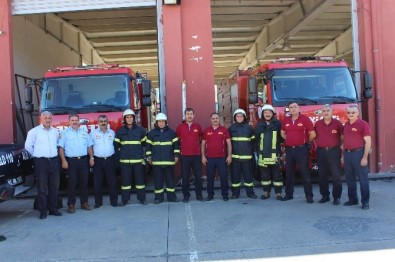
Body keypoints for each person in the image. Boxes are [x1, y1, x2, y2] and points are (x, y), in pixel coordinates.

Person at [25, 111, 62, 219]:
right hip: (41, 161)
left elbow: (58, 144)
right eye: (45, 117)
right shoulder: (34, 131)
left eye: (49, 118)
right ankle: (43, 211)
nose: (48, 119)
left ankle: (53, 209)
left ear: (52, 119)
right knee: (42, 187)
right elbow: (28, 146)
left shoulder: (55, 131)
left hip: (54, 161)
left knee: (54, 186)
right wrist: (37, 155)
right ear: (41, 119)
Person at [281, 101, 316, 203]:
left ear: (298, 108)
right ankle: (288, 194)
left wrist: (305, 142)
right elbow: (282, 133)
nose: (293, 109)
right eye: (291, 107)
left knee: (305, 173)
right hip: (289, 149)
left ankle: (309, 196)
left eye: (295, 107)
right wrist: (289, 140)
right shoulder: (286, 120)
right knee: (289, 173)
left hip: (302, 149)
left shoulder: (305, 119)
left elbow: (312, 134)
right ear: (289, 109)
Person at [58, 114, 94, 213]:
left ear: (79, 121)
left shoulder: (84, 132)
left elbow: (89, 146)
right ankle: (71, 204)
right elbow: (61, 148)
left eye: (76, 120)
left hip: (83, 160)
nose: (74, 122)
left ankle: (84, 203)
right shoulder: (64, 133)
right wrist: (63, 160)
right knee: (72, 183)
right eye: (72, 120)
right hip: (71, 161)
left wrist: (91, 157)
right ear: (69, 122)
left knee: (84, 183)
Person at [114, 109, 147, 206]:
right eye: (127, 117)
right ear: (124, 119)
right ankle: (125, 200)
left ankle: (142, 199)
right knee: (125, 183)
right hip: (125, 162)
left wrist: (144, 158)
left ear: (134, 118)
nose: (129, 119)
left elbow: (145, 145)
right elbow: (116, 145)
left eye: (131, 117)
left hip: (138, 161)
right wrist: (122, 154)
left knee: (140, 182)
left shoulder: (141, 130)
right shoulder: (120, 131)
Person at [146, 113, 180, 204]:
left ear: (166, 122)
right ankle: (158, 198)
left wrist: (176, 156)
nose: (161, 123)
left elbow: (176, 146)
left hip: (169, 162)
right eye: (159, 121)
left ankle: (171, 197)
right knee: (158, 182)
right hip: (156, 163)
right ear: (156, 123)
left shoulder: (171, 133)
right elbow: (148, 147)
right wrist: (149, 157)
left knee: (170, 181)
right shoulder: (152, 133)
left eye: (163, 121)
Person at [343, 105, 372, 210]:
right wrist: (343, 155)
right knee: (349, 179)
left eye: (353, 112)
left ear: (357, 113)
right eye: (349, 113)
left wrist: (365, 157)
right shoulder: (346, 125)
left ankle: (365, 202)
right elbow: (345, 140)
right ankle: (353, 199)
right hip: (347, 154)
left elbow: (368, 142)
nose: (351, 114)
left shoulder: (363, 124)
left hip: (358, 154)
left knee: (363, 179)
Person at [314, 104, 343, 205]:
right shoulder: (317, 124)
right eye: (324, 111)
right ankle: (325, 196)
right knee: (322, 175)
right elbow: (314, 136)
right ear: (321, 112)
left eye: (327, 110)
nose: (325, 113)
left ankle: (337, 197)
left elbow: (342, 137)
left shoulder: (338, 123)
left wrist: (341, 146)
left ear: (331, 112)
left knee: (336, 175)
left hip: (334, 151)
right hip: (321, 151)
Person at [255, 105, 283, 200]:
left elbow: (282, 138)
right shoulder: (259, 125)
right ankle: (266, 192)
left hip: (275, 154)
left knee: (277, 176)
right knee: (265, 176)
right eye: (265, 112)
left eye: (269, 112)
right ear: (263, 114)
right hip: (263, 155)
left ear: (272, 114)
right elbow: (256, 139)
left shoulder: (278, 124)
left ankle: (278, 193)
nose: (267, 114)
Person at [201, 112, 232, 201]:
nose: (215, 120)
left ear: (219, 119)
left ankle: (225, 194)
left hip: (222, 158)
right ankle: (210, 195)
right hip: (209, 158)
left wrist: (229, 156)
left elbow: (229, 144)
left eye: (216, 118)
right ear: (210, 120)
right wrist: (203, 156)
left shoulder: (224, 130)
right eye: (213, 118)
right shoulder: (206, 131)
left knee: (223, 177)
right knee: (210, 178)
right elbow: (203, 145)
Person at [176, 108, 204, 203]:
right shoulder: (180, 127)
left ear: (194, 115)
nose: (189, 116)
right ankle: (186, 196)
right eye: (187, 114)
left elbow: (200, 138)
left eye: (191, 114)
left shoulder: (198, 126)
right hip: (184, 156)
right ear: (185, 115)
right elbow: (177, 140)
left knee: (198, 176)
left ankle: (199, 195)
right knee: (185, 177)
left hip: (196, 156)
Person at [90, 115, 118, 208]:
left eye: (104, 121)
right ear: (98, 123)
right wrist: (91, 158)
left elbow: (115, 145)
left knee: (112, 182)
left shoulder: (112, 133)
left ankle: (114, 201)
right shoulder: (93, 134)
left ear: (107, 122)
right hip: (98, 160)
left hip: (110, 159)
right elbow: (90, 147)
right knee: (97, 182)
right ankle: (98, 202)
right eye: (101, 121)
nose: (103, 123)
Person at [228, 109, 257, 199]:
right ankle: (235, 194)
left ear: (244, 117)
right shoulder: (231, 128)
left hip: (247, 158)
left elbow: (254, 142)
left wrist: (250, 151)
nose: (239, 118)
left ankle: (250, 193)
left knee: (248, 177)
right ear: (235, 118)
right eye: (237, 116)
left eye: (241, 116)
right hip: (235, 158)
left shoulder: (249, 128)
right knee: (235, 177)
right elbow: (228, 143)